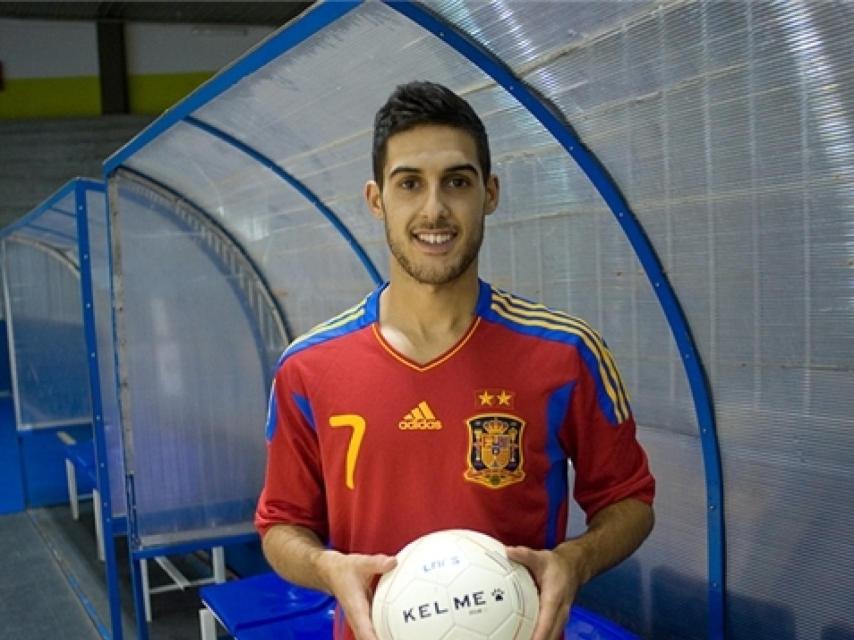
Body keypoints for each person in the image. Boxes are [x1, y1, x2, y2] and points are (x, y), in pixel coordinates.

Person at [256, 81, 655, 640]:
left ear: (489, 193)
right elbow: (281, 523)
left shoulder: (566, 352)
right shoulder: (308, 367)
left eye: (457, 182)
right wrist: (326, 568)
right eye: (410, 184)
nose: (434, 209)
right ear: (377, 200)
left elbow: (629, 499)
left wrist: (577, 559)